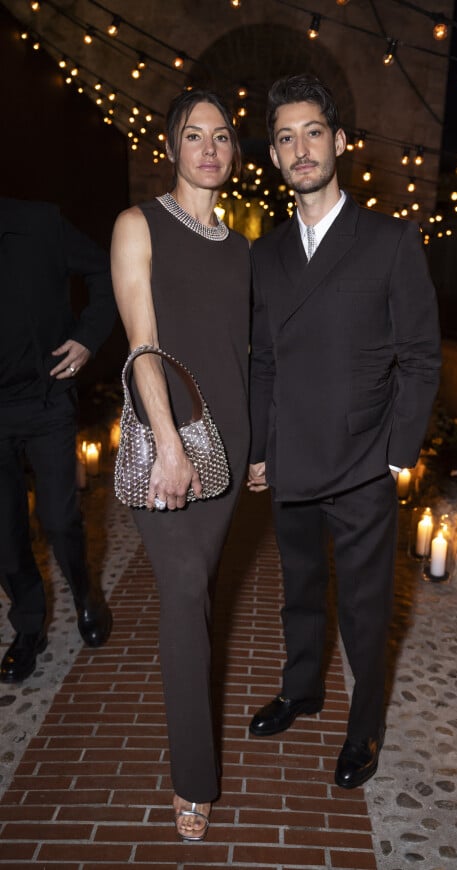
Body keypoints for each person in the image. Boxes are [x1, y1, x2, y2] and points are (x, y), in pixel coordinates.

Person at [247, 74, 441, 789]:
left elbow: (421, 358)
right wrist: (260, 449)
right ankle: (303, 689)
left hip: (363, 463)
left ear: (340, 142)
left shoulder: (389, 241)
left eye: (314, 132)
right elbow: (262, 360)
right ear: (273, 156)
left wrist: (397, 457)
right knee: (298, 591)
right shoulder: (264, 255)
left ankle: (366, 726)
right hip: (292, 458)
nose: (302, 149)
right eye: (286, 138)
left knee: (363, 612)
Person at [110, 90, 250, 842]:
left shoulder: (241, 246)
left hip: (229, 453)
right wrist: (166, 438)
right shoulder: (138, 225)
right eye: (193, 135)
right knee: (185, 588)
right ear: (172, 147)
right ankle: (193, 777)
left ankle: (191, 745)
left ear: (232, 152)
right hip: (170, 442)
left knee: (199, 602)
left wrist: (256, 447)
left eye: (221, 136)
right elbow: (142, 337)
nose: (208, 148)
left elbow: (246, 353)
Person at [0, 197, 116, 685]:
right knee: (5, 534)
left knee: (59, 517)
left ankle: (85, 592)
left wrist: (88, 337)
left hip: (45, 398)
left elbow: (105, 275)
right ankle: (29, 628)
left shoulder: (38, 223)